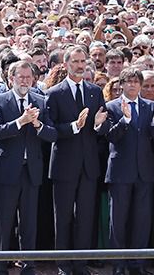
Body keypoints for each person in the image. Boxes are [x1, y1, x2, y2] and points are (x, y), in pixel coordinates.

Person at [0, 61, 57, 275]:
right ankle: (0, 267)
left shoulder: (40, 101)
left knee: (29, 223)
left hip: (31, 171)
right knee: (3, 222)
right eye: (21, 77)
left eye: (29, 77)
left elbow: (52, 135)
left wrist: (37, 124)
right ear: (11, 78)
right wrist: (21, 121)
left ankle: (28, 266)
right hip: (5, 171)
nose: (25, 81)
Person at [46, 46, 110, 275]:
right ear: (66, 64)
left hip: (89, 165)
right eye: (75, 61)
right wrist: (74, 126)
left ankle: (81, 264)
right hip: (64, 165)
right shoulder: (54, 93)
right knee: (62, 217)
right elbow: (49, 129)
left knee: (85, 217)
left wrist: (97, 124)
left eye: (83, 60)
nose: (80, 65)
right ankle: (63, 264)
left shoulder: (95, 91)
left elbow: (101, 129)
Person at [105, 68, 154, 275]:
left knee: (142, 220)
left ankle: (137, 264)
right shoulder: (111, 106)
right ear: (121, 84)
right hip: (120, 170)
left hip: (145, 171)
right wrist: (125, 119)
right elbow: (111, 137)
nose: (132, 85)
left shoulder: (151, 106)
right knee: (118, 220)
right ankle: (118, 264)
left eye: (135, 81)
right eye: (128, 81)